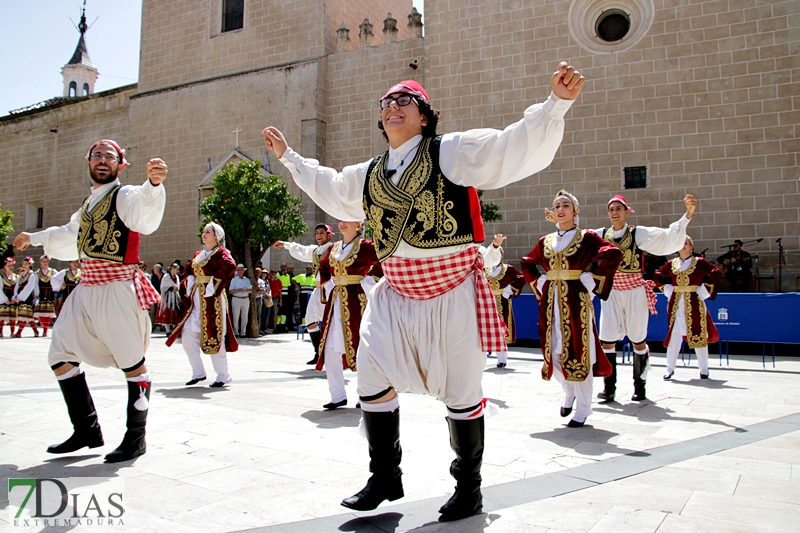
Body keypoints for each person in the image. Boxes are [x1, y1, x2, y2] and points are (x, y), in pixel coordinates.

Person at [263, 62, 585, 521]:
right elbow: (330, 188)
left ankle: (468, 487)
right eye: (386, 103)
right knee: (371, 378)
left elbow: (509, 148)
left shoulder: (450, 151)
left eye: (404, 101)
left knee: (461, 391)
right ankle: (384, 476)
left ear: (424, 116)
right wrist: (289, 157)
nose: (392, 107)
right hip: (394, 294)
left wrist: (556, 104)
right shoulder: (368, 173)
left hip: (452, 291)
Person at [13, 138, 167, 463]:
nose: (102, 160)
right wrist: (35, 237)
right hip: (86, 288)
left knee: (133, 364)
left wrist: (153, 184)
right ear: (88, 162)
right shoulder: (88, 205)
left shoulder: (124, 195)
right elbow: (70, 234)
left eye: (109, 156)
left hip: (116, 288)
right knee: (60, 355)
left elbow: (143, 212)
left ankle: (135, 438)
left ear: (120, 164)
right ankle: (86, 430)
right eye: (96, 155)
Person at [521, 190, 622, 428]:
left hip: (576, 301)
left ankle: (584, 407)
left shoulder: (585, 237)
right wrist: (540, 281)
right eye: (556, 206)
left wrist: (592, 278)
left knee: (579, 352)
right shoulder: (546, 241)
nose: (560, 209)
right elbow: (527, 262)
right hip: (551, 303)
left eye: (566, 205)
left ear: (574, 211)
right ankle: (569, 391)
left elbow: (613, 253)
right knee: (554, 353)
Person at [592, 193, 697, 402]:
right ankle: (609, 388)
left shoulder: (637, 233)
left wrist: (687, 215)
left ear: (626, 212)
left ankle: (639, 386)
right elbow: (577, 240)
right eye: (611, 209)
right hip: (611, 292)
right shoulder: (601, 234)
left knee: (638, 340)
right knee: (607, 339)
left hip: (634, 291)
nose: (614, 213)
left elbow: (666, 236)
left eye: (618, 209)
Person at [316, 220, 382, 409]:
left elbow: (382, 262)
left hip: (356, 301)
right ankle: (337, 395)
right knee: (329, 348)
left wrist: (367, 282)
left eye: (347, 220)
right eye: (340, 220)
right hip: (336, 299)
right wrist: (328, 284)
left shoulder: (367, 246)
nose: (342, 224)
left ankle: (366, 393)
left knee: (362, 347)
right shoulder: (334, 247)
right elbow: (323, 267)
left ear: (358, 224)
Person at [167, 223, 238, 387]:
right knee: (188, 335)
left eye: (208, 232)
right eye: (203, 231)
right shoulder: (199, 254)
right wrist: (190, 280)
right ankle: (198, 372)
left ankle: (223, 375)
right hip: (196, 299)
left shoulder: (221, 252)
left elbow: (230, 265)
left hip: (212, 299)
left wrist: (213, 283)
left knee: (214, 336)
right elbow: (189, 269)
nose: (204, 234)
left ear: (216, 236)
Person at [655, 236, 722, 380]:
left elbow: (716, 272)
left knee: (699, 334)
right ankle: (670, 368)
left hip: (695, 302)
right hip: (676, 303)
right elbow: (658, 276)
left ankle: (704, 368)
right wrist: (669, 290)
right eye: (680, 243)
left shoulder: (700, 262)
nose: (683, 246)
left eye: (686, 243)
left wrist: (703, 291)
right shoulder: (672, 263)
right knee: (674, 336)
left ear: (691, 246)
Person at [274, 223, 335, 363]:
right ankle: (318, 353)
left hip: (332, 290)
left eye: (322, 232)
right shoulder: (315, 251)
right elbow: (301, 249)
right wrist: (285, 244)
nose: (319, 235)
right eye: (317, 233)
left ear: (329, 235)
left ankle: (338, 356)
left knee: (334, 323)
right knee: (310, 320)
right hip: (318, 290)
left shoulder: (335, 249)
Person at [483, 237, 525, 368]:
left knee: (501, 330)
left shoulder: (508, 268)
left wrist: (508, 290)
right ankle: (484, 357)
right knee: (487, 329)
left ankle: (502, 359)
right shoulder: (486, 269)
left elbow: (521, 278)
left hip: (502, 302)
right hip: (488, 303)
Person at [11, 256, 39, 337]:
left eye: (26, 264)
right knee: (26, 316)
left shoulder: (32, 274)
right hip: (20, 295)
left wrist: (20, 297)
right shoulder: (21, 274)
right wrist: (15, 295)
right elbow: (17, 285)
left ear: (30, 264)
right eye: (23, 264)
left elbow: (29, 287)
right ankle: (36, 331)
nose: (24, 265)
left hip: (27, 296)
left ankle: (19, 333)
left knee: (24, 314)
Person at [33, 255, 57, 337]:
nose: (45, 263)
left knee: (49, 312)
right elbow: (35, 284)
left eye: (46, 261)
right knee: (41, 312)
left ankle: (45, 330)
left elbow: (58, 279)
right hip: (41, 292)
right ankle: (43, 327)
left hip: (50, 292)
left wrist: (56, 288)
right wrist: (36, 294)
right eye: (43, 261)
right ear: (40, 263)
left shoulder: (53, 271)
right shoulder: (37, 273)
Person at [156, 263, 181, 333]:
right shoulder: (166, 276)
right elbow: (163, 287)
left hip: (175, 297)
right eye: (176, 269)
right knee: (167, 313)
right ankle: (168, 331)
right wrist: (171, 287)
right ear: (172, 269)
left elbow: (178, 286)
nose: (178, 271)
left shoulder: (177, 277)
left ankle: (174, 329)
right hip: (167, 297)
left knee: (175, 313)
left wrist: (176, 288)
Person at [229, 264, 252, 336]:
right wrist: (238, 290)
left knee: (244, 316)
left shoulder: (247, 280)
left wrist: (247, 290)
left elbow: (251, 290)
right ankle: (236, 332)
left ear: (243, 271)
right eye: (239, 270)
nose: (240, 271)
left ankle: (243, 332)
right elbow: (230, 291)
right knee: (236, 316)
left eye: (241, 270)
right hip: (236, 298)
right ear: (237, 271)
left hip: (245, 298)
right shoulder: (234, 280)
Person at [0, 257, 18, 337]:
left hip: (12, 296)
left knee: (13, 316)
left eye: (11, 266)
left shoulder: (16, 276)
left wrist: (14, 298)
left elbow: (17, 288)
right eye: (8, 266)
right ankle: (0, 332)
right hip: (4, 296)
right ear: (5, 266)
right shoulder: (1, 276)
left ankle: (12, 332)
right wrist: (5, 299)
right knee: (2, 316)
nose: (10, 267)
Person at [275, 262, 294, 331]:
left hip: (286, 295)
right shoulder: (277, 275)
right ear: (280, 267)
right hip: (278, 295)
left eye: (285, 266)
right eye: (282, 266)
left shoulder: (288, 276)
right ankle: (277, 325)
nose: (284, 268)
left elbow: (288, 286)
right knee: (278, 311)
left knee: (284, 311)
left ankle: (282, 325)